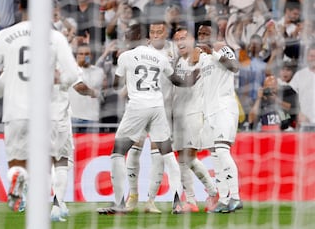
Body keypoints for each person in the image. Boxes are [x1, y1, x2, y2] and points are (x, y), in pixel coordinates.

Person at [0, 0, 93, 213]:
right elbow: (72, 74)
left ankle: (18, 181)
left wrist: (4, 90)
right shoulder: (54, 36)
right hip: (45, 113)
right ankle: (48, 201)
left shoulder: (4, 35)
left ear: (19, 7)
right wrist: (58, 80)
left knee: (17, 161)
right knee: (49, 161)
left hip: (14, 112)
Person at [97, 22, 200, 215]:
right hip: (157, 108)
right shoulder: (160, 58)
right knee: (168, 155)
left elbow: (116, 85)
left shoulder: (126, 56)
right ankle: (177, 203)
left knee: (118, 153)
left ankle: (120, 203)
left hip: (137, 108)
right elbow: (178, 80)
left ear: (129, 40)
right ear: (147, 39)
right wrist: (194, 76)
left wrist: (123, 72)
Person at [196, 20, 243, 213]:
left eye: (206, 33)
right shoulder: (201, 59)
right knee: (215, 157)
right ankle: (223, 200)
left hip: (224, 108)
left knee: (223, 152)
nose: (202, 36)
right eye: (200, 33)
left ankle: (236, 197)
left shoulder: (223, 50)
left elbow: (234, 67)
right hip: (208, 113)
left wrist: (213, 52)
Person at [171, 26, 219, 212]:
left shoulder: (203, 58)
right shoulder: (176, 62)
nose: (181, 41)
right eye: (177, 39)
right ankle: (191, 201)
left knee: (189, 158)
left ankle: (213, 193)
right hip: (178, 116)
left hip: (194, 113)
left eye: (184, 37)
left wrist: (201, 49)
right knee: (182, 160)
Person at [69, 43, 106, 133]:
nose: (83, 56)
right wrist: (95, 93)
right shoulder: (71, 70)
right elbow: (80, 88)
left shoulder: (99, 71)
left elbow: (104, 91)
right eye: (81, 54)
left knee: (91, 146)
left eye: (86, 54)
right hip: (74, 117)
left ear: (91, 56)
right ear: (76, 55)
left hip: (92, 118)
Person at [289, 43, 315, 131]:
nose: (313, 58)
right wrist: (298, 114)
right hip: (305, 124)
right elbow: (289, 97)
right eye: (311, 56)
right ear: (307, 57)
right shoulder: (300, 75)